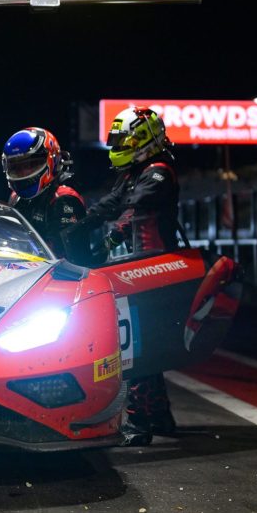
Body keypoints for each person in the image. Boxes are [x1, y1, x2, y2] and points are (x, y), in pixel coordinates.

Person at [74, 106, 181, 445]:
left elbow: (134, 205)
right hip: (139, 266)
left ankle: (138, 423)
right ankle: (160, 417)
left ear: (143, 139)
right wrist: (80, 226)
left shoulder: (159, 172)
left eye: (124, 139)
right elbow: (111, 204)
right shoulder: (135, 172)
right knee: (144, 344)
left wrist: (109, 235)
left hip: (154, 268)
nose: (118, 145)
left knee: (136, 347)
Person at [1, 127, 86, 255]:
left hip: (60, 272)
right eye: (17, 167)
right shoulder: (15, 197)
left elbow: (63, 253)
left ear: (52, 160)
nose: (23, 173)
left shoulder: (63, 198)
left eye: (30, 165)